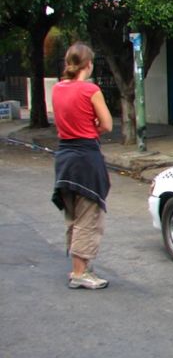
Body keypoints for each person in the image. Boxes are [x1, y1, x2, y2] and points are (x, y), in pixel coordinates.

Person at [51, 42, 113, 289]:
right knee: (89, 217)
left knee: (73, 216)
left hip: (64, 158)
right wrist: (92, 127)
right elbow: (107, 124)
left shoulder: (57, 89)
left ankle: (80, 266)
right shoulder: (90, 90)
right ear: (89, 64)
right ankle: (80, 273)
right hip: (86, 159)